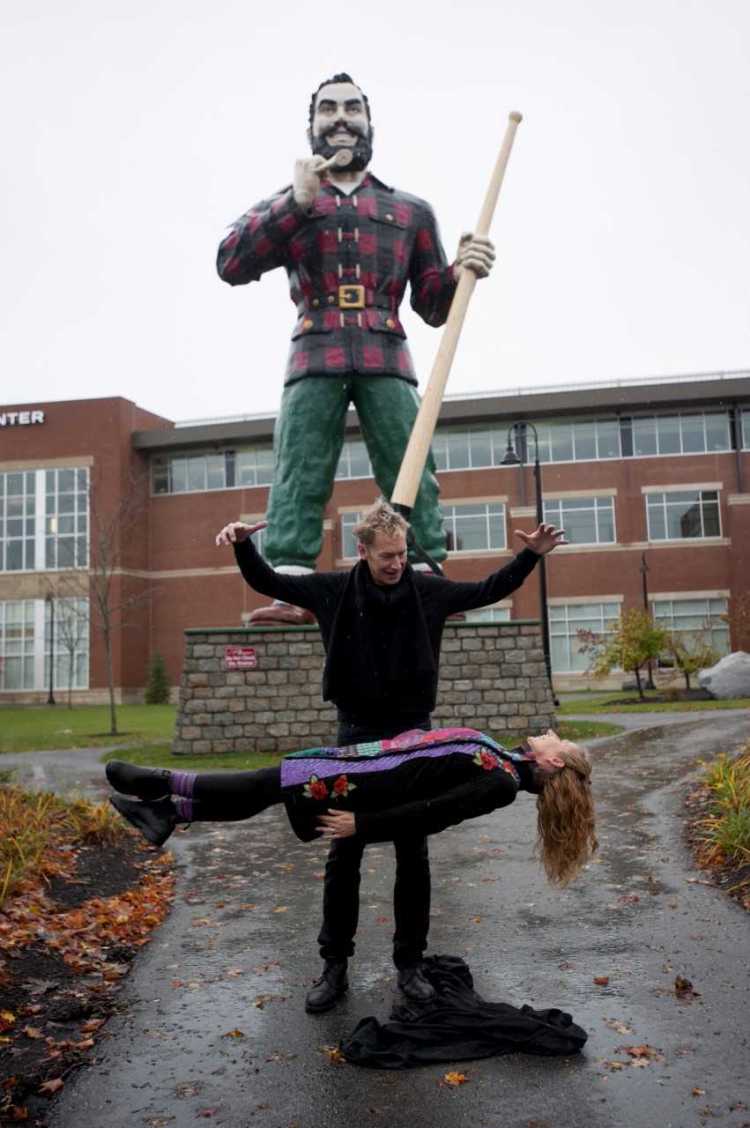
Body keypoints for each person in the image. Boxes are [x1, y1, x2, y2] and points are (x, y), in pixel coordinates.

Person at [213, 500, 566, 1012]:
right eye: (386, 556)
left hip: (414, 736)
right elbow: (271, 584)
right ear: (362, 551)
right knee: (344, 848)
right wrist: (244, 546)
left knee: (412, 850)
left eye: (401, 554)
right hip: (355, 731)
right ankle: (334, 967)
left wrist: (529, 556)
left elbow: (489, 590)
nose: (396, 563)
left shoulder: (426, 590)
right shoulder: (334, 589)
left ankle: (410, 965)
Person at [216, 71, 496, 611]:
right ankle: (292, 585)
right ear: (312, 126)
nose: (340, 118)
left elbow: (433, 305)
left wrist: (465, 269)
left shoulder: (410, 210)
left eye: (351, 108)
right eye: (328, 109)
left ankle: (421, 570)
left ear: (370, 123)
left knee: (409, 464)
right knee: (299, 465)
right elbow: (231, 262)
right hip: (313, 350)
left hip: (386, 350)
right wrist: (294, 205)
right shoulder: (290, 204)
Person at [107, 728, 597, 889]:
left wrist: (363, 825)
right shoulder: (507, 762)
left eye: (558, 739)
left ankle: (163, 790)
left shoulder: (502, 783)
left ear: (553, 759)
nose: (551, 732)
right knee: (265, 789)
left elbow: (432, 812)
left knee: (264, 783)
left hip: (358, 789)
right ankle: (168, 812)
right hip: (359, 766)